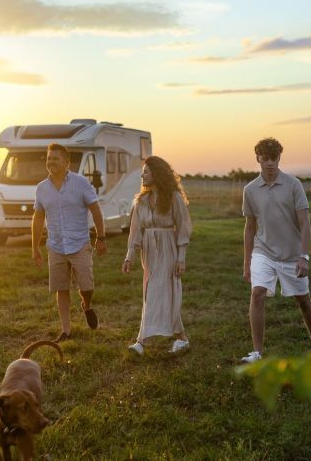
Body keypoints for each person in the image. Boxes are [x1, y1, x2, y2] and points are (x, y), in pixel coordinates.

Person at [240, 138, 311, 363]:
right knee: (257, 294)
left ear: (279, 158)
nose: (269, 163)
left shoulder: (293, 185)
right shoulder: (250, 190)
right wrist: (247, 262)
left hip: (291, 254)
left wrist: (304, 257)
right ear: (258, 158)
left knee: (303, 300)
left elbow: (305, 223)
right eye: (265, 158)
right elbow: (249, 227)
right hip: (263, 251)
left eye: (274, 158)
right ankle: (257, 352)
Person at [32, 143, 107, 341]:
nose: (51, 162)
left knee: (87, 286)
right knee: (61, 288)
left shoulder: (80, 183)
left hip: (79, 243)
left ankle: (86, 304)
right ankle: (66, 330)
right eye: (49, 158)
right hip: (55, 245)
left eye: (55, 158)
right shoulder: (41, 189)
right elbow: (38, 218)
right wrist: (35, 247)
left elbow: (95, 209)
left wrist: (101, 237)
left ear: (66, 162)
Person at [121, 156, 193, 355]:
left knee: (164, 291)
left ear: (157, 174)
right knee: (151, 290)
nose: (142, 175)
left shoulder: (173, 198)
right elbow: (135, 231)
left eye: (146, 171)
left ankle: (143, 341)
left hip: (169, 248)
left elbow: (184, 227)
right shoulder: (141, 201)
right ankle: (179, 337)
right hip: (149, 251)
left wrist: (181, 258)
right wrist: (130, 256)